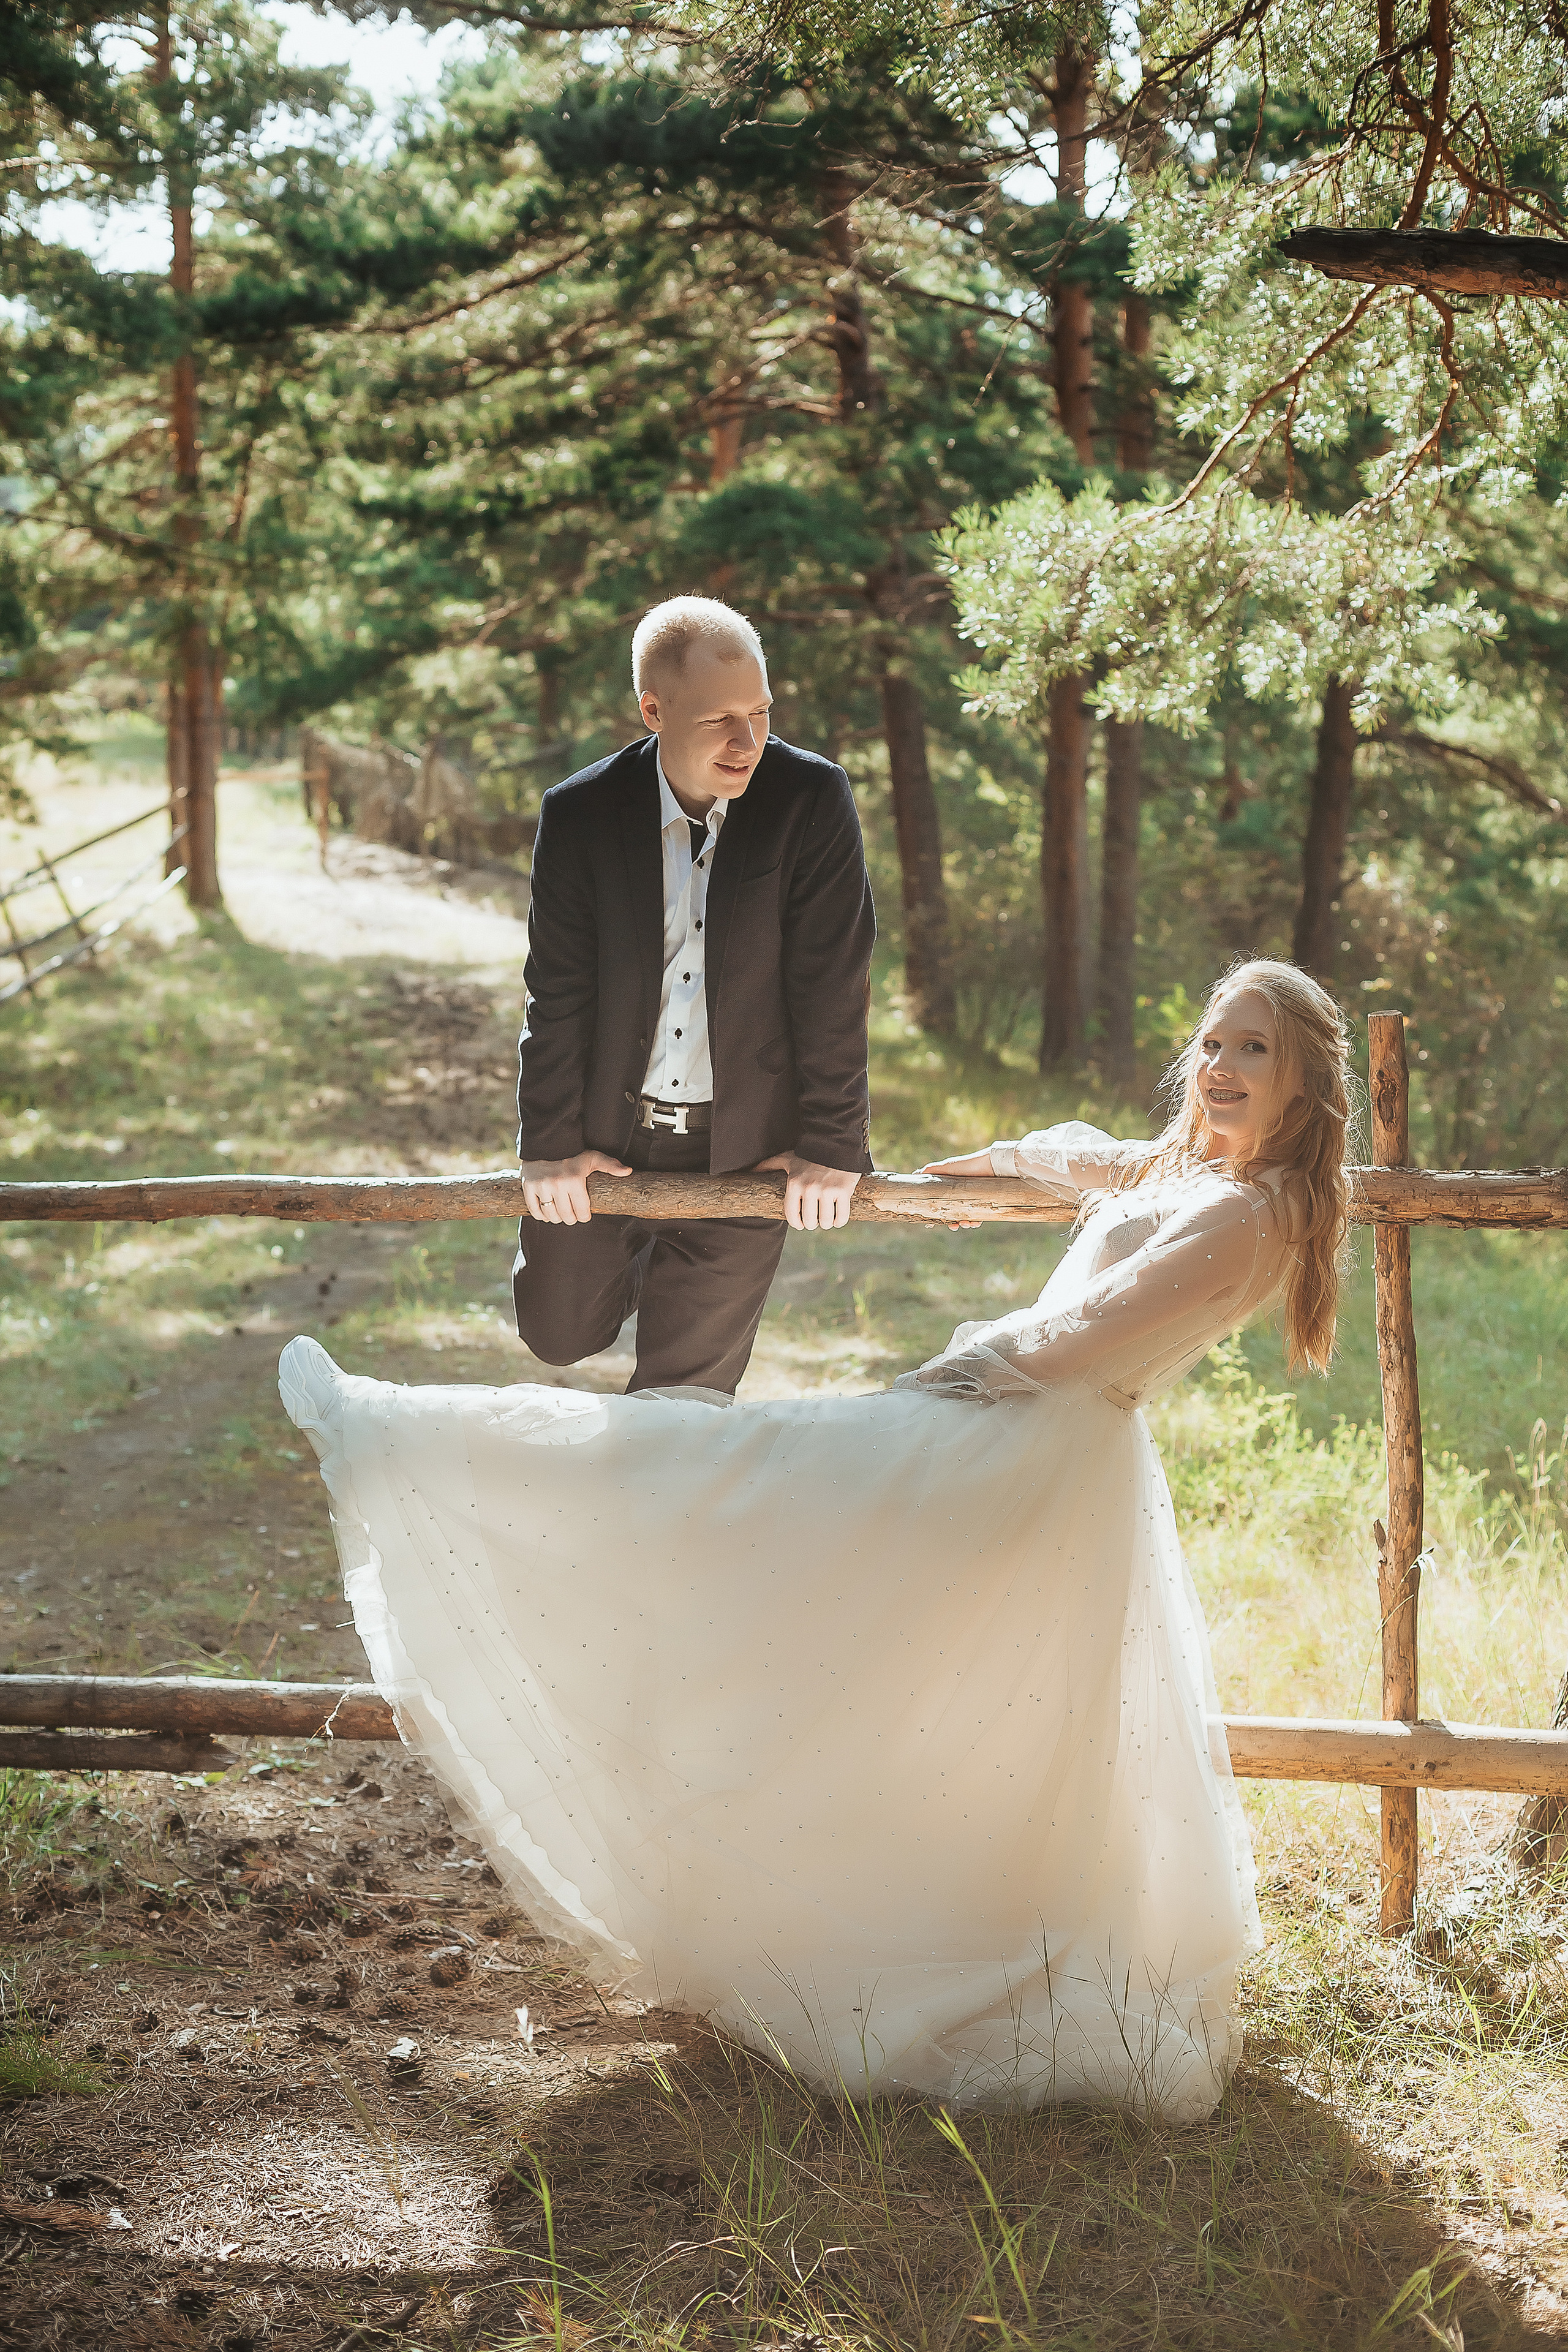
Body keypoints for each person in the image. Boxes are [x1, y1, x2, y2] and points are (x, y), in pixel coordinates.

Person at [279, 959, 1352, 2120]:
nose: (1224, 1068)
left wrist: (955, 1369)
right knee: (849, 1617)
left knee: (742, 1477)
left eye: (1255, 1050)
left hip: (1017, 1444)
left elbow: (1085, 1339)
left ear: (1303, 1081)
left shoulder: (1252, 1213)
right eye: (1213, 1043)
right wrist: (995, 1160)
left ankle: (414, 1436)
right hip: (1016, 1443)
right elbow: (1091, 1157)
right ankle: (418, 1441)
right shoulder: (1194, 1169)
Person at [511, 595, 876, 1395]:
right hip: (609, 1137)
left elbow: (833, 987)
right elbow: (558, 995)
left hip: (747, 1147)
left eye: (761, 713)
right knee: (557, 1333)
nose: (748, 741)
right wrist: (548, 1148)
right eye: (720, 720)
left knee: (685, 1400)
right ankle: (643, 1259)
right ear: (654, 710)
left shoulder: (812, 801)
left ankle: (649, 1511)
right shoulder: (579, 815)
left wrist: (831, 1146)